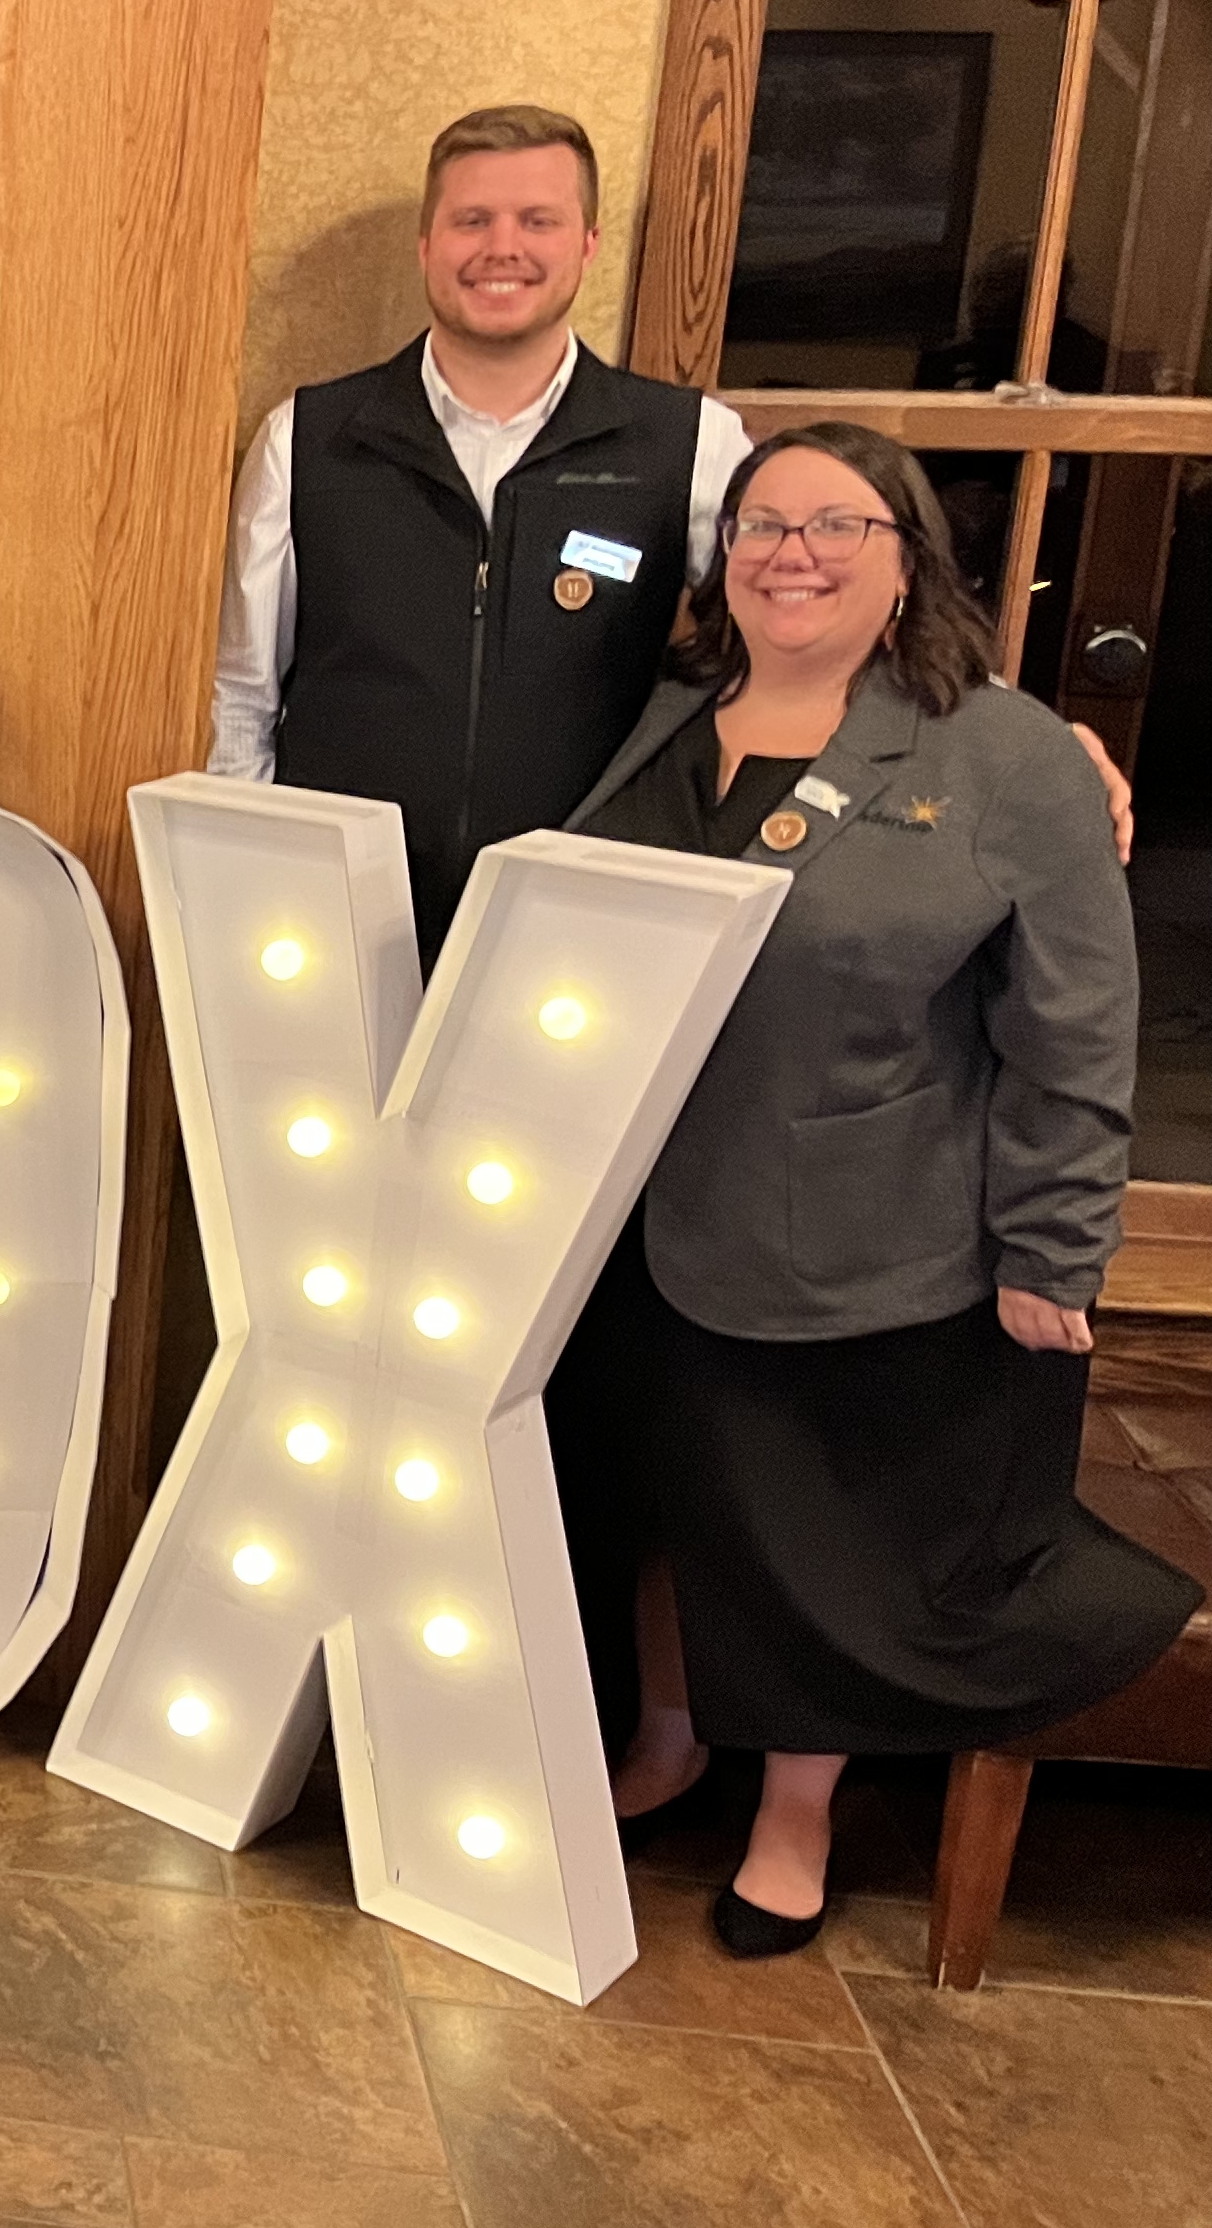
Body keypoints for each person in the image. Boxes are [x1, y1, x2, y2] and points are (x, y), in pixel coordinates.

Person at [570, 423, 1195, 1955]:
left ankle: (797, 1817)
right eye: (764, 524)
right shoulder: (672, 716)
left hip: (867, 1237)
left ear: (911, 558)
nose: (793, 552)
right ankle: (670, 1740)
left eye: (836, 526)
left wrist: (1058, 1248)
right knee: (682, 1505)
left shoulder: (1007, 755)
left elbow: (1073, 1027)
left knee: (821, 1543)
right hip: (645, 1220)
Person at [210, 107, 752, 957]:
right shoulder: (307, 439)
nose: (503, 247)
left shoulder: (691, 447)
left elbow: (754, 676)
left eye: (538, 221)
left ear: (587, 245)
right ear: (428, 245)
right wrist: (246, 883)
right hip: (337, 920)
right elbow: (243, 696)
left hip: (581, 923)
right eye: (472, 220)